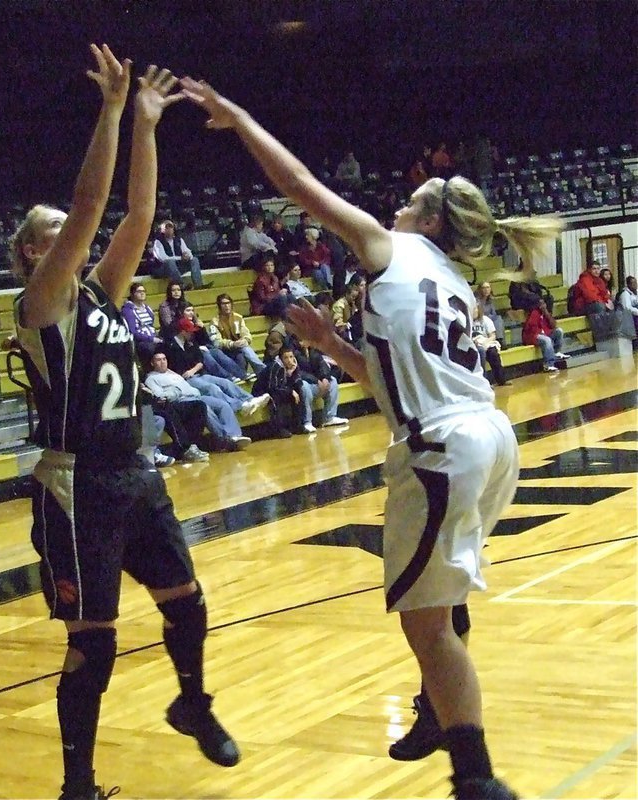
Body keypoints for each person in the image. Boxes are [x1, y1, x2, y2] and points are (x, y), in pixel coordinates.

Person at [182, 75, 565, 800]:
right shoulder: (449, 274)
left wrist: (237, 118)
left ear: (424, 219)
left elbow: (297, 184)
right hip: (487, 438)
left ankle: (476, 780)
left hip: (444, 448)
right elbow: (395, 381)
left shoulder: (389, 247)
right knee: (443, 597)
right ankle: (433, 711)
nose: (403, 194)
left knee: (426, 624)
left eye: (415, 196)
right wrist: (329, 343)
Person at [10, 51, 240, 800]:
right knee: (94, 646)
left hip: (133, 472)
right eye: (53, 236)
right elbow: (89, 211)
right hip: (76, 486)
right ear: (32, 254)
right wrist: (109, 110)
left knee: (188, 602)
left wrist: (145, 124)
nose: (71, 240)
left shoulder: (103, 294)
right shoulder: (40, 308)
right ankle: (78, 786)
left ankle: (192, 703)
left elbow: (136, 213)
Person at [145, 350, 252, 450]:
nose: (163, 362)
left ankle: (235, 435)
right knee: (205, 408)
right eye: (158, 360)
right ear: (152, 363)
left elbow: (188, 387)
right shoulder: (151, 379)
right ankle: (225, 439)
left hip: (196, 396)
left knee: (223, 405)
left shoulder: (173, 374)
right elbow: (160, 396)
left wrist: (193, 391)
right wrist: (177, 391)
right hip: (183, 402)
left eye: (164, 359)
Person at [209, 294, 265, 377]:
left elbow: (245, 332)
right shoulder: (214, 322)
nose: (227, 306)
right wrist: (232, 344)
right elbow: (216, 342)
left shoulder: (238, 317)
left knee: (244, 348)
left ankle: (262, 371)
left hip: (239, 348)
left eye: (228, 303)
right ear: (219, 306)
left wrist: (245, 340)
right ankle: (262, 371)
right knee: (241, 350)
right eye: (223, 304)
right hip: (225, 351)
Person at [150, 219, 205, 288]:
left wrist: (187, 256)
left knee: (194, 260)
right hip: (161, 269)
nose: (169, 229)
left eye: (171, 227)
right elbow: (163, 258)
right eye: (166, 227)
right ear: (162, 230)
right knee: (170, 262)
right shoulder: (158, 242)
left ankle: (199, 285)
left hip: (176, 268)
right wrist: (180, 258)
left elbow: (187, 251)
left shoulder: (179, 240)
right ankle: (180, 286)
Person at [522, 299, 569, 372]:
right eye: (541, 304)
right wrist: (542, 333)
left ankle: (556, 352)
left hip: (545, 333)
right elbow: (531, 328)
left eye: (544, 303)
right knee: (547, 340)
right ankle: (548, 364)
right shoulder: (534, 313)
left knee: (559, 331)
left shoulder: (546, 313)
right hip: (532, 336)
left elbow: (553, 325)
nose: (543, 305)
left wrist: (546, 313)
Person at [122, 281, 162, 363]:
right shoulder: (128, 310)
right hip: (140, 341)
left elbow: (151, 325)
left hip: (152, 336)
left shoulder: (147, 308)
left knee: (169, 344)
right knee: (150, 348)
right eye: (139, 291)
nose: (142, 293)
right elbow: (133, 331)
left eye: (143, 291)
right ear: (132, 294)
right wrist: (151, 339)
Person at [472, 305, 510, 386]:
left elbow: (493, 336)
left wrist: (485, 343)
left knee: (493, 353)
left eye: (475, 309)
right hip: (473, 344)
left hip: (485, 342)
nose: (473, 311)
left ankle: (501, 380)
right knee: (479, 353)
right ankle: (483, 382)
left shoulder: (485, 320)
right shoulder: (467, 321)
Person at [474, 281, 505, 347]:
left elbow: (493, 313)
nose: (486, 290)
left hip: (489, 319)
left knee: (498, 318)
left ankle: (500, 339)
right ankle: (499, 339)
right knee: (495, 319)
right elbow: (478, 312)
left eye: (488, 287)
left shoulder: (490, 300)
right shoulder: (476, 300)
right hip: (480, 318)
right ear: (480, 289)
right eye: (483, 288)